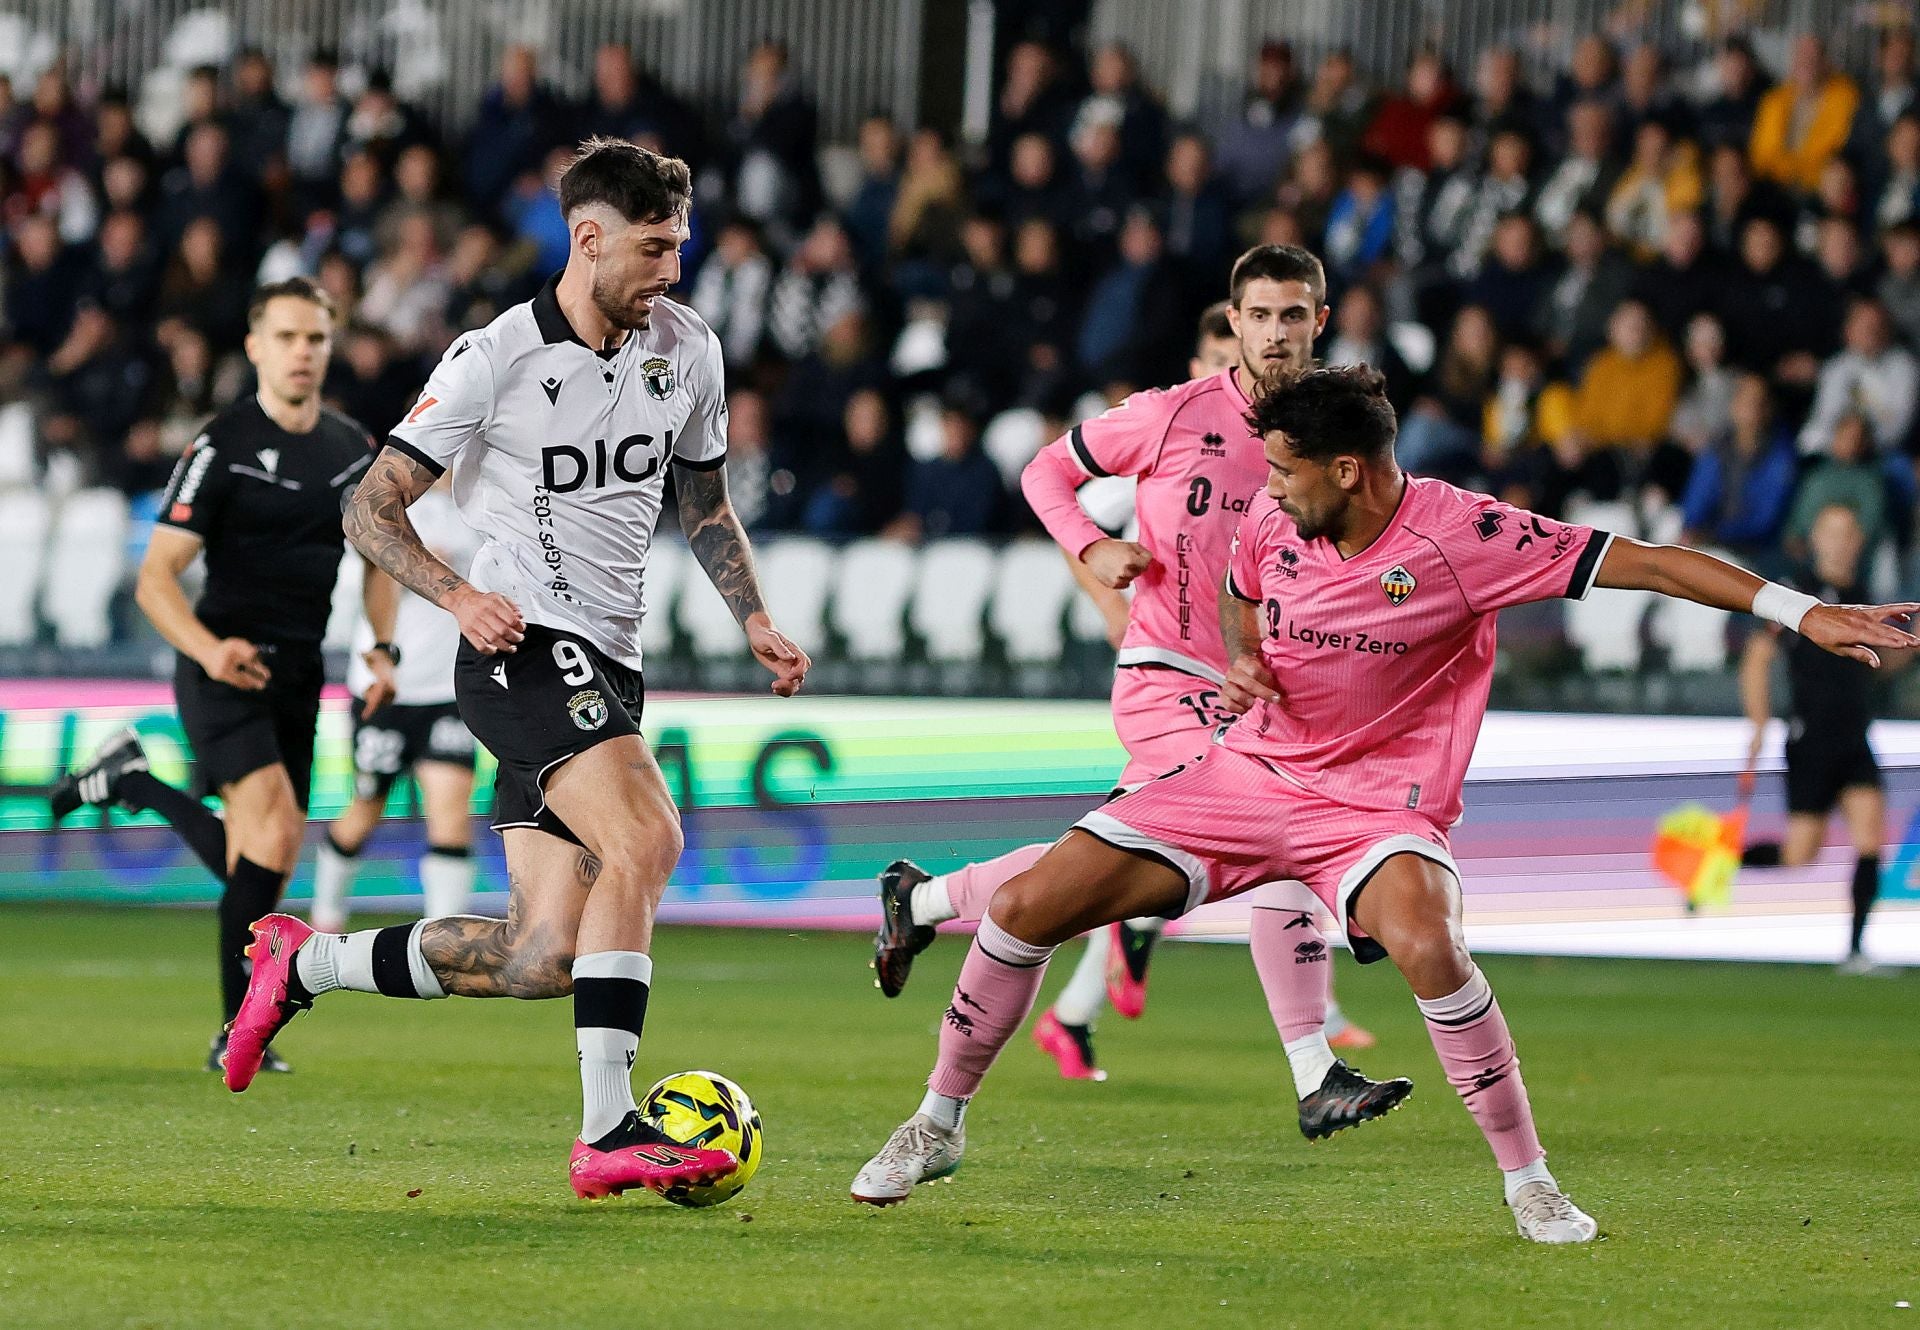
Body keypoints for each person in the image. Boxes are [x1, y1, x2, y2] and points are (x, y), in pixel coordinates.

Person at [849, 365, 1918, 1241]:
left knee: (1428, 943)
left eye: (1286, 469)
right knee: (1035, 901)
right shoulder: (1279, 518)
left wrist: (1803, 609)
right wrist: (1243, 656)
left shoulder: (1464, 537)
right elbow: (1237, 587)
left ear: (1349, 470)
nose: (1269, 489)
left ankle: (1529, 1180)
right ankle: (938, 1122)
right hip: (1247, 772)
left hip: (1374, 804)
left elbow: (1654, 565)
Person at [221, 139, 812, 1203]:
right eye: (655, 248)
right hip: (520, 648)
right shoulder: (493, 359)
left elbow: (706, 504)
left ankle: (301, 963)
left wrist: (755, 616)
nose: (673, 269)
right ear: (587, 238)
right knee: (650, 838)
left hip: (613, 662)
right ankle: (606, 1131)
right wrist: (457, 596)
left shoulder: (689, 347)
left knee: (542, 954)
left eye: (680, 247)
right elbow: (370, 505)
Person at [874, 249, 1394, 1116]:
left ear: (1320, 322)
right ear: (1234, 322)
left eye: (1292, 315)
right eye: (1259, 315)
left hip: (1252, 694)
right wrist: (1091, 545)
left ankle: (922, 899)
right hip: (1166, 678)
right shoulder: (1172, 414)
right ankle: (1315, 1070)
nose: (1274, 332)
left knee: (1099, 873)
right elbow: (1046, 471)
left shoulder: (1336, 431)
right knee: (1279, 828)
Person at [48, 277, 397, 1074]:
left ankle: (130, 780)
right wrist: (208, 652)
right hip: (222, 664)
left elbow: (381, 556)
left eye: (315, 338)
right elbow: (157, 579)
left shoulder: (352, 450)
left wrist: (383, 648)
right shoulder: (221, 445)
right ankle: (237, 1030)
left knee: (259, 860)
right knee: (272, 831)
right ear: (254, 347)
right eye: (286, 337)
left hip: (300, 673)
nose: (303, 352)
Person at [309, 474, 483, 932]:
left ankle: (444, 937)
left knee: (450, 808)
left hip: (449, 691)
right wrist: (420, 567)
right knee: (366, 806)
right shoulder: (383, 507)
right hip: (384, 688)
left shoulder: (480, 510)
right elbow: (358, 580)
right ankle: (326, 915)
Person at [1740, 504, 1898, 974]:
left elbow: (1878, 665)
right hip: (1811, 738)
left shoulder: (1864, 595)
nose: (1841, 542)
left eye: (1849, 533)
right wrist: (1759, 721)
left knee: (1871, 840)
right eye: (1832, 532)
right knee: (1798, 855)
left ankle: (1855, 950)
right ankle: (1725, 864)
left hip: (1855, 736)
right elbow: (1757, 657)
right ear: (1816, 538)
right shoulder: (1795, 593)